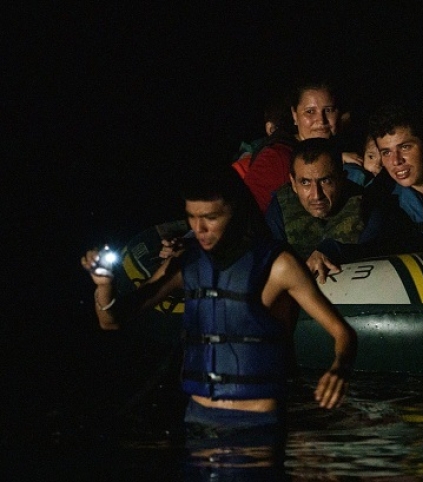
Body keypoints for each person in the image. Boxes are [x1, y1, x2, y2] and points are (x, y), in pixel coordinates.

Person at [80, 165, 357, 469]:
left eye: (211, 218)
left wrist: (338, 369)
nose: (199, 229)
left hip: (256, 428)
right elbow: (111, 321)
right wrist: (105, 287)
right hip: (197, 420)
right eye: (192, 217)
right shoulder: (185, 263)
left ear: (235, 212)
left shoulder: (279, 265)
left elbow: (342, 332)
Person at [265, 138, 380, 283]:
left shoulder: (365, 205)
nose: (316, 195)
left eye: (326, 181)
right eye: (305, 182)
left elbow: (372, 249)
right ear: (293, 183)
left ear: (342, 179)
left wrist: (333, 250)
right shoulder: (281, 206)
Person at [243, 80, 349, 214]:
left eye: (328, 110)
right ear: (294, 115)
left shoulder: (342, 150)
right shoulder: (276, 157)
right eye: (310, 112)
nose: (321, 120)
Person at [363, 102, 423, 255]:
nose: (396, 161)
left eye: (405, 147)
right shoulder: (381, 199)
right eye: (386, 152)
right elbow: (368, 249)